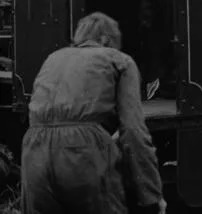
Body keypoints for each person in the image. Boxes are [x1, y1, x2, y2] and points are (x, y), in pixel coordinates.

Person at [21, 12, 165, 214]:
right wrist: (151, 194)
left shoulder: (53, 58)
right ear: (106, 39)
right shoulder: (119, 60)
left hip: (34, 152)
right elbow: (133, 131)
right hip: (83, 155)